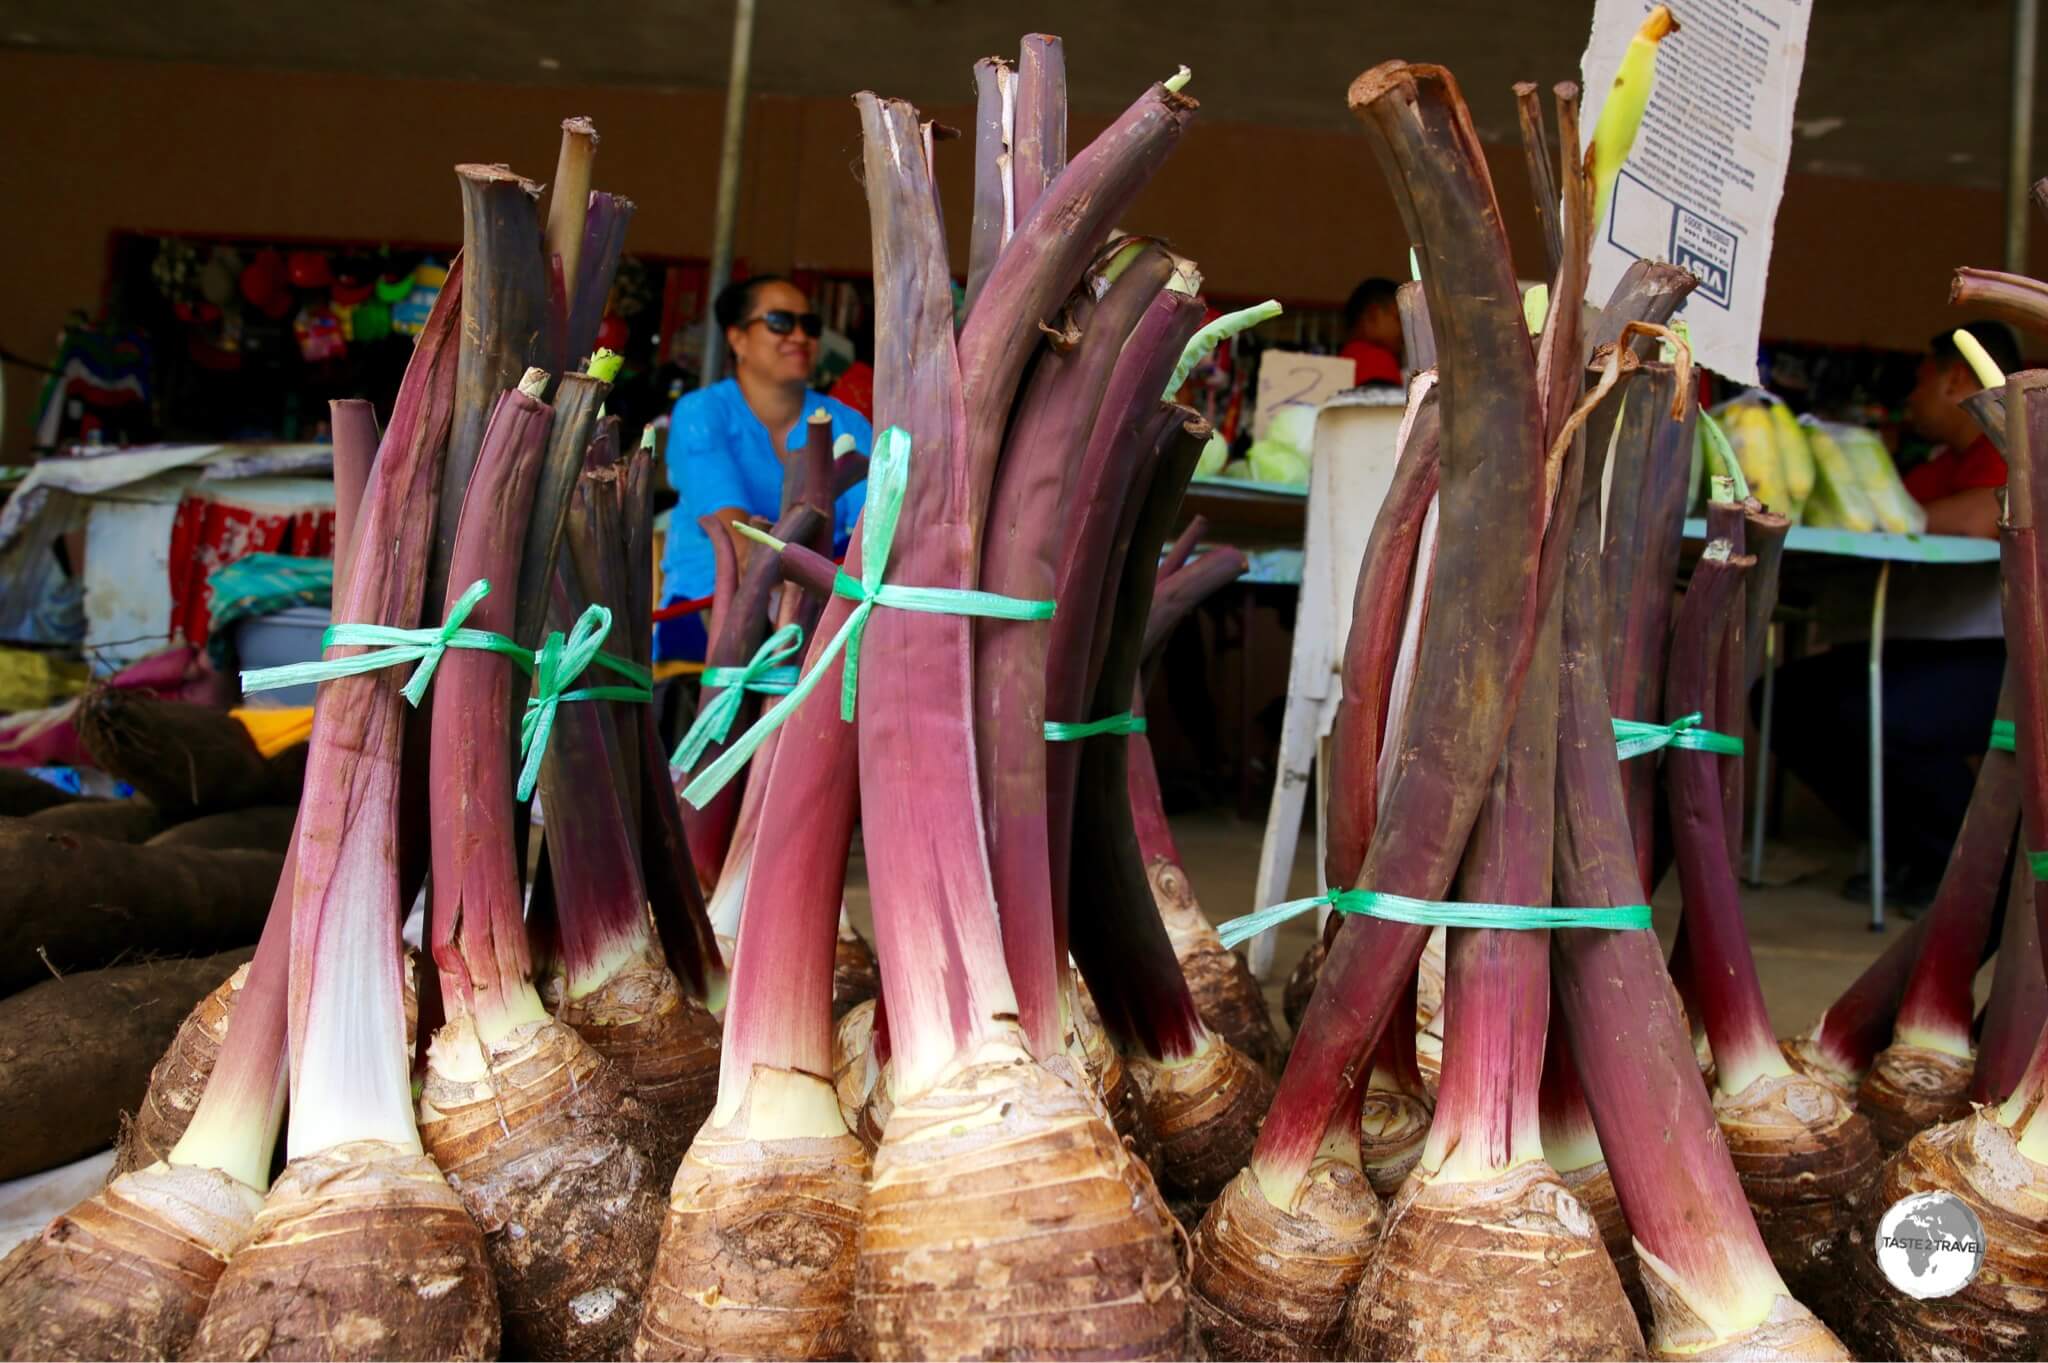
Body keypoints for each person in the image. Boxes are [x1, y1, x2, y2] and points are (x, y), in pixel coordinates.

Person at [1761, 323, 2023, 908]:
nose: (1910, 397)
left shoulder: (2018, 450)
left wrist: (1889, 510)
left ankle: (1974, 874)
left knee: (1882, 716)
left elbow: (1975, 518)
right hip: (1918, 644)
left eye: (1921, 381)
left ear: (1959, 380)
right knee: (1787, 701)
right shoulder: (1937, 464)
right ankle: (1909, 849)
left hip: (2004, 656)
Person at [657, 276, 872, 662]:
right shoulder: (700, 412)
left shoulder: (848, 423)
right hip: (709, 599)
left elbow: (872, 530)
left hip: (827, 601)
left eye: (810, 326)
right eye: (779, 322)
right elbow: (740, 547)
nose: (799, 336)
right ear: (737, 338)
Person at [1338, 277, 1403, 387]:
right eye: (1399, 319)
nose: (1403, 329)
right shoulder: (1377, 359)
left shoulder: (1346, 357)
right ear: (1373, 314)